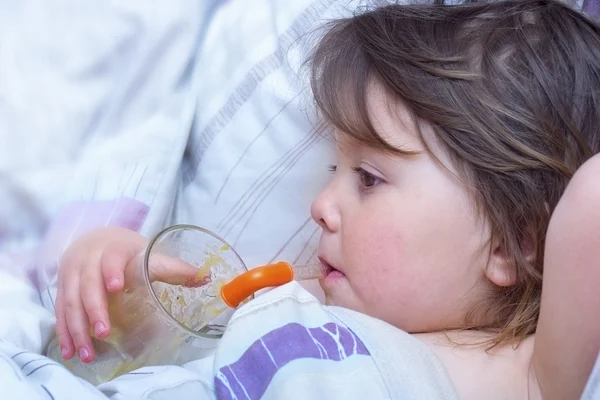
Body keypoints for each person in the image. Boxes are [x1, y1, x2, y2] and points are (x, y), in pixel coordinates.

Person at [52, 0, 600, 398]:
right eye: (334, 168)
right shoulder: (295, 292)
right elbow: (157, 345)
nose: (320, 205)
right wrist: (119, 279)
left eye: (368, 178)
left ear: (512, 243)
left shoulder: (527, 375)